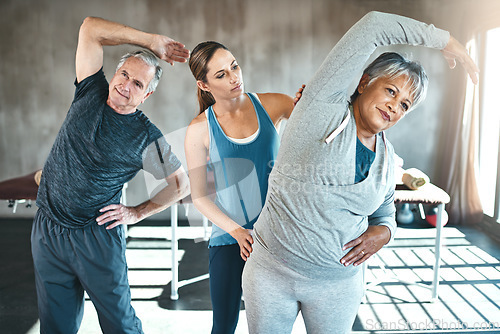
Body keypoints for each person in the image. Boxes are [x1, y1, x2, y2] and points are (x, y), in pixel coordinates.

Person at [241, 11, 479, 334]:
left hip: (337, 287)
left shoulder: (386, 158)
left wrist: (385, 232)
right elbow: (374, 27)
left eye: (406, 105)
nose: (396, 106)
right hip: (271, 275)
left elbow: (385, 214)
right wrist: (447, 41)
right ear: (365, 82)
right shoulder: (321, 108)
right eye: (391, 91)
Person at [31, 17, 190, 333]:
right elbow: (90, 28)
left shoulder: (145, 136)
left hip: (96, 238)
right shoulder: (89, 90)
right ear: (115, 73)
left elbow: (181, 184)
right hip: (48, 230)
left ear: (146, 96)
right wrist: (151, 41)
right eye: (124, 74)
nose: (125, 85)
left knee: (120, 326)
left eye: (137, 84)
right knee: (55, 326)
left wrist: (137, 212)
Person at [184, 41, 298, 334]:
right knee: (223, 327)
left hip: (276, 235)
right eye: (221, 75)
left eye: (234, 66)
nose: (234, 77)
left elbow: (318, 129)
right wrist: (236, 231)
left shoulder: (273, 104)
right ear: (204, 84)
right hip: (229, 239)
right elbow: (199, 196)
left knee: (272, 326)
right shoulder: (199, 128)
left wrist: (305, 102)